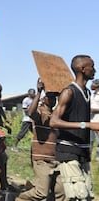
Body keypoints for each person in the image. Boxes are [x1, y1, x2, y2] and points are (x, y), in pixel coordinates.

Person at [50, 54, 99, 200]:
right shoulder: (68, 92)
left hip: (83, 151)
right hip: (68, 150)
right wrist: (87, 125)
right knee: (79, 196)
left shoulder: (88, 93)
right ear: (82, 69)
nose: (95, 70)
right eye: (92, 66)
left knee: (88, 195)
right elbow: (53, 122)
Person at [16, 79, 65, 201]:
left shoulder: (55, 114)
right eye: (50, 97)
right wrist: (38, 92)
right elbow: (30, 113)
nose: (53, 100)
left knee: (61, 192)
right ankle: (17, 198)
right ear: (43, 98)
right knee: (41, 192)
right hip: (42, 159)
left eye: (55, 97)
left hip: (55, 159)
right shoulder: (40, 112)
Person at [89, 79, 99, 161]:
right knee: (91, 141)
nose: (91, 85)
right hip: (91, 121)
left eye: (93, 84)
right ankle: (89, 157)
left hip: (97, 121)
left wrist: (93, 110)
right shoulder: (92, 95)